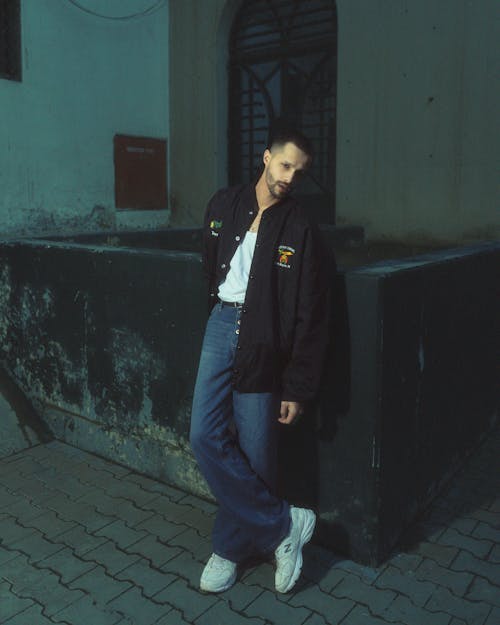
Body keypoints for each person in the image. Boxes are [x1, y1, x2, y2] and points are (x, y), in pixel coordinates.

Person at [190, 126, 331, 594]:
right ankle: (283, 525)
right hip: (220, 324)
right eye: (285, 164)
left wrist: (298, 387)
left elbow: (311, 312)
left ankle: (229, 549)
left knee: (257, 454)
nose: (289, 177)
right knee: (203, 435)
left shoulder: (300, 227)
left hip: (264, 339)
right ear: (267, 157)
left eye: (299, 171)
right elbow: (210, 265)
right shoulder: (224, 203)